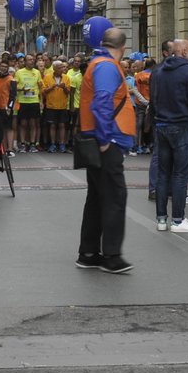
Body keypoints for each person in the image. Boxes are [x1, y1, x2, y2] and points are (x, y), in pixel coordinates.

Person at [76, 27, 135, 274]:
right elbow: (102, 101)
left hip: (99, 137)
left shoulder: (98, 63)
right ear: (123, 47)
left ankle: (89, 253)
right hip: (107, 140)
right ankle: (111, 255)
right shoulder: (108, 67)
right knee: (113, 197)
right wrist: (104, 138)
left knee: (98, 197)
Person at [150, 39, 188, 233]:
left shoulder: (159, 70)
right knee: (180, 174)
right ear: (183, 52)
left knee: (163, 173)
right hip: (181, 124)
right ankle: (178, 220)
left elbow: (153, 98)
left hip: (162, 124)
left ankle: (161, 219)